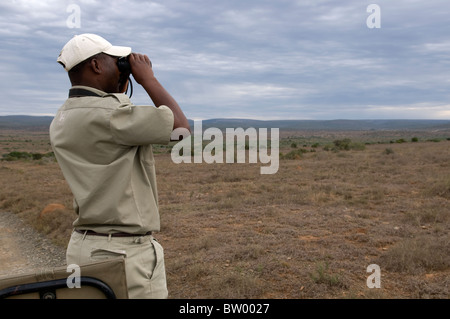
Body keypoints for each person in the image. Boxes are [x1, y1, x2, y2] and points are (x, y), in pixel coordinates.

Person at [50, 33, 190, 299]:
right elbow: (180, 129)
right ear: (96, 66)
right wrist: (147, 78)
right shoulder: (112, 114)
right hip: (123, 254)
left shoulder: (62, 117)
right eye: (117, 61)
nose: (122, 66)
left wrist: (119, 82)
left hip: (83, 247)